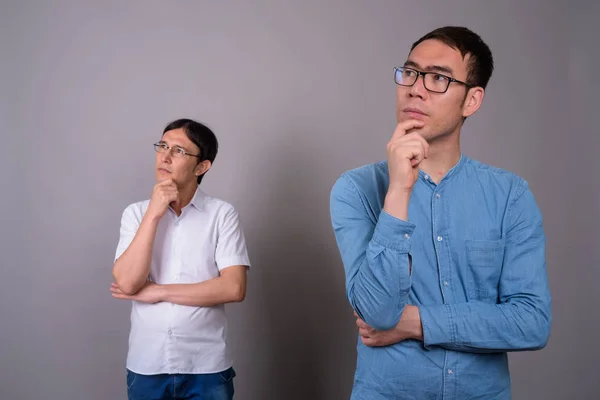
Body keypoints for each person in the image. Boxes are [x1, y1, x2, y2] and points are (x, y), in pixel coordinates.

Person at [330, 26, 551, 399]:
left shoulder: (510, 195)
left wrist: (418, 322)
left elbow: (532, 322)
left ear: (472, 100)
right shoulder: (355, 190)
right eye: (410, 73)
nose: (415, 88)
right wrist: (399, 190)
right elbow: (379, 315)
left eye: (438, 78)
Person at [111, 118, 250, 400]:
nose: (164, 156)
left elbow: (233, 288)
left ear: (202, 167)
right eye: (162, 146)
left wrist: (157, 292)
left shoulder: (222, 214)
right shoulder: (136, 214)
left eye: (178, 150)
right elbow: (127, 282)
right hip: (147, 364)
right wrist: (153, 214)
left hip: (207, 366)